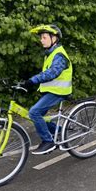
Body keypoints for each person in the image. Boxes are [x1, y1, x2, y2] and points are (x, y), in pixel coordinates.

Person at [20, 24, 73, 155]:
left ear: (54, 38)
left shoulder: (59, 55)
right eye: (41, 38)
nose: (41, 40)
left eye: (44, 37)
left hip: (59, 92)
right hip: (52, 91)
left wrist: (32, 80)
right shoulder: (50, 54)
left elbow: (52, 73)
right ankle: (59, 130)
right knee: (38, 116)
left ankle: (48, 142)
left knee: (34, 113)